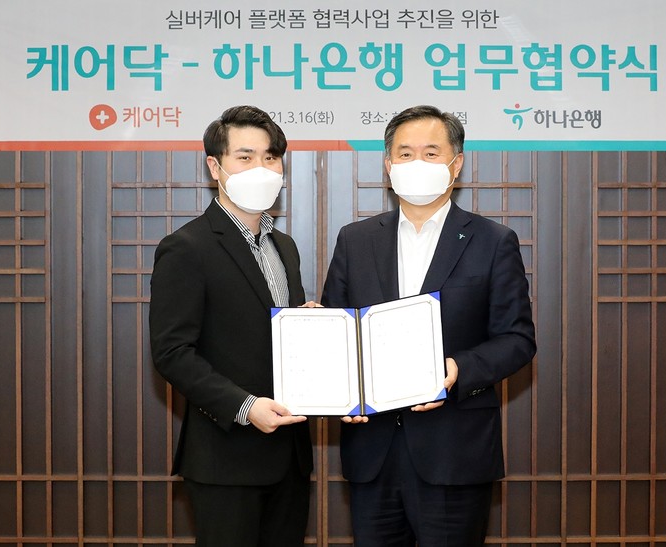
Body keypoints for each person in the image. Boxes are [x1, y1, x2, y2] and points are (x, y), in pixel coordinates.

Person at [321, 105, 536, 546]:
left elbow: (517, 338)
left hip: (454, 451)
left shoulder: (493, 241)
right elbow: (336, 333)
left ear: (455, 165)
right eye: (405, 153)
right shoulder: (355, 240)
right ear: (388, 166)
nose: (416, 163)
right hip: (372, 451)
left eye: (431, 153)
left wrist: (458, 369)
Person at [149, 105, 314, 547]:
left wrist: (309, 327)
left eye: (270, 157)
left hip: (291, 457)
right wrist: (245, 406)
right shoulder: (186, 247)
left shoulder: (285, 246)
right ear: (215, 166)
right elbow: (172, 353)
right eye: (245, 157)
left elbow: (270, 332)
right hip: (225, 458)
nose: (261, 168)